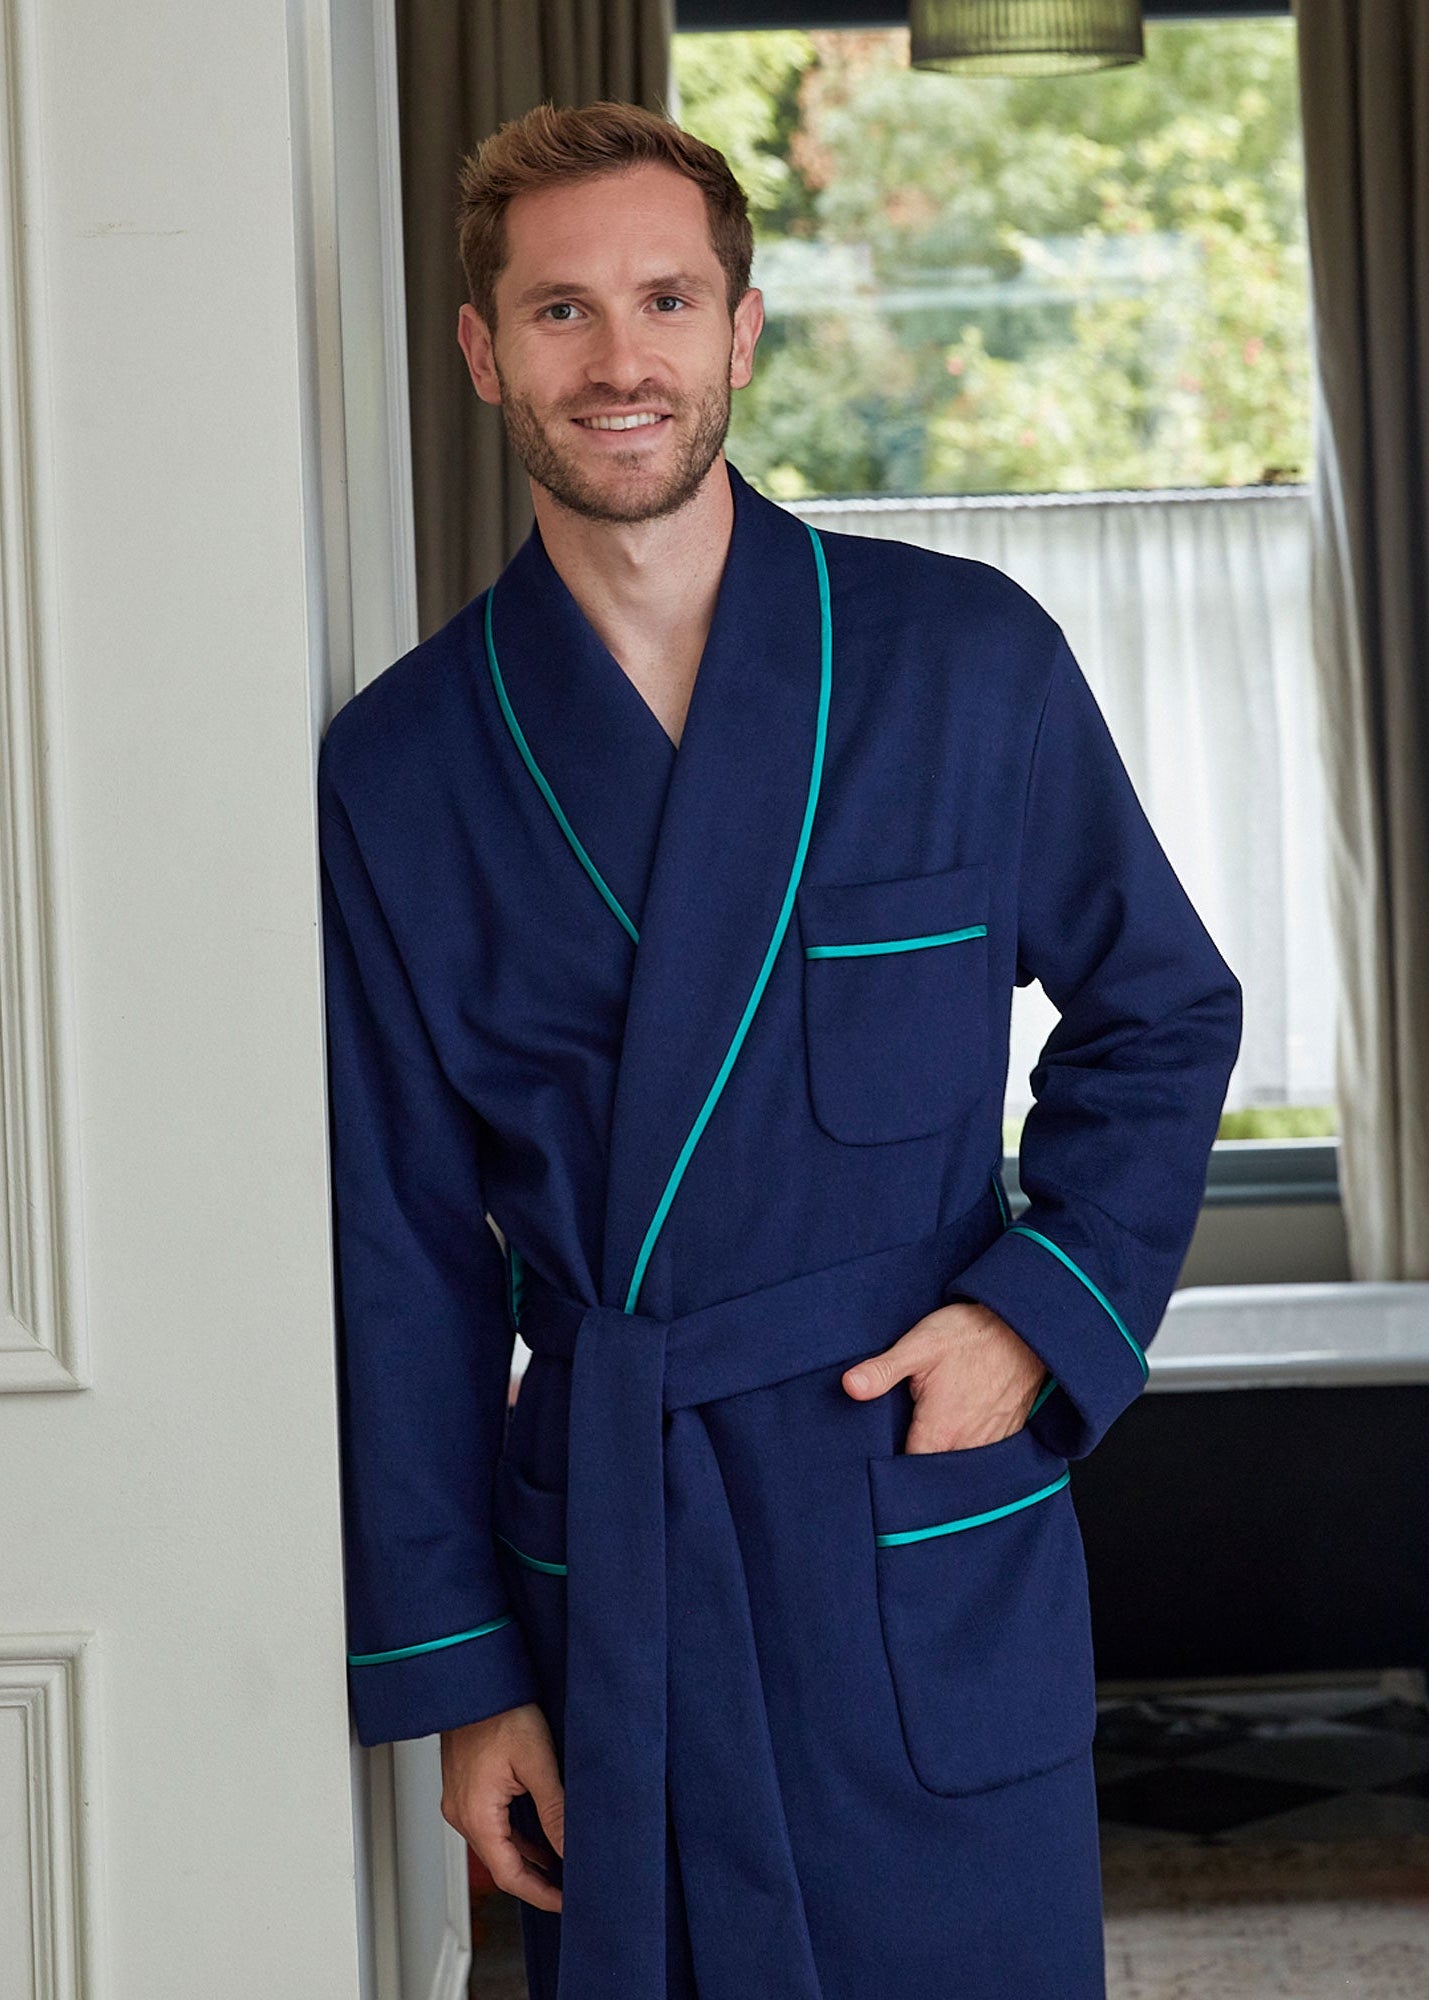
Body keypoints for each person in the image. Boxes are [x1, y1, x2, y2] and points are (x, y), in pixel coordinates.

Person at [317, 98, 1242, 2000]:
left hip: (910, 1497)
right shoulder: (400, 768)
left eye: (665, 300)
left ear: (741, 330)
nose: (620, 359)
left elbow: (1159, 1008)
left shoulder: (961, 659)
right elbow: (397, 1250)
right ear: (483, 350)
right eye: (562, 311)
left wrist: (1039, 1315)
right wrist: (463, 1676)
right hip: (617, 1552)